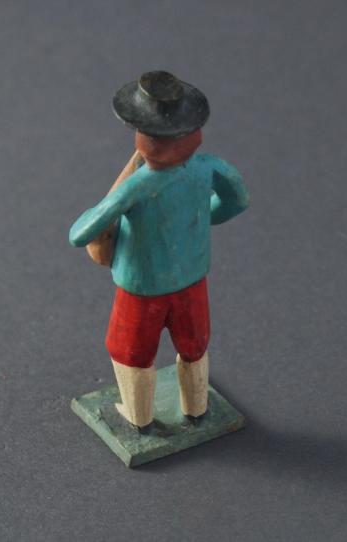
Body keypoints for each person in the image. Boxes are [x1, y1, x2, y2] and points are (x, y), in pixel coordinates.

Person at [69, 71, 249, 428]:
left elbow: (80, 233)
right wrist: (200, 221)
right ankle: (196, 410)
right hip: (192, 279)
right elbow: (237, 201)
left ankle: (140, 420)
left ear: (148, 139)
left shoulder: (138, 186)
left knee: (131, 354)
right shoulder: (209, 167)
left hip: (142, 289)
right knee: (194, 346)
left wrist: (103, 209)